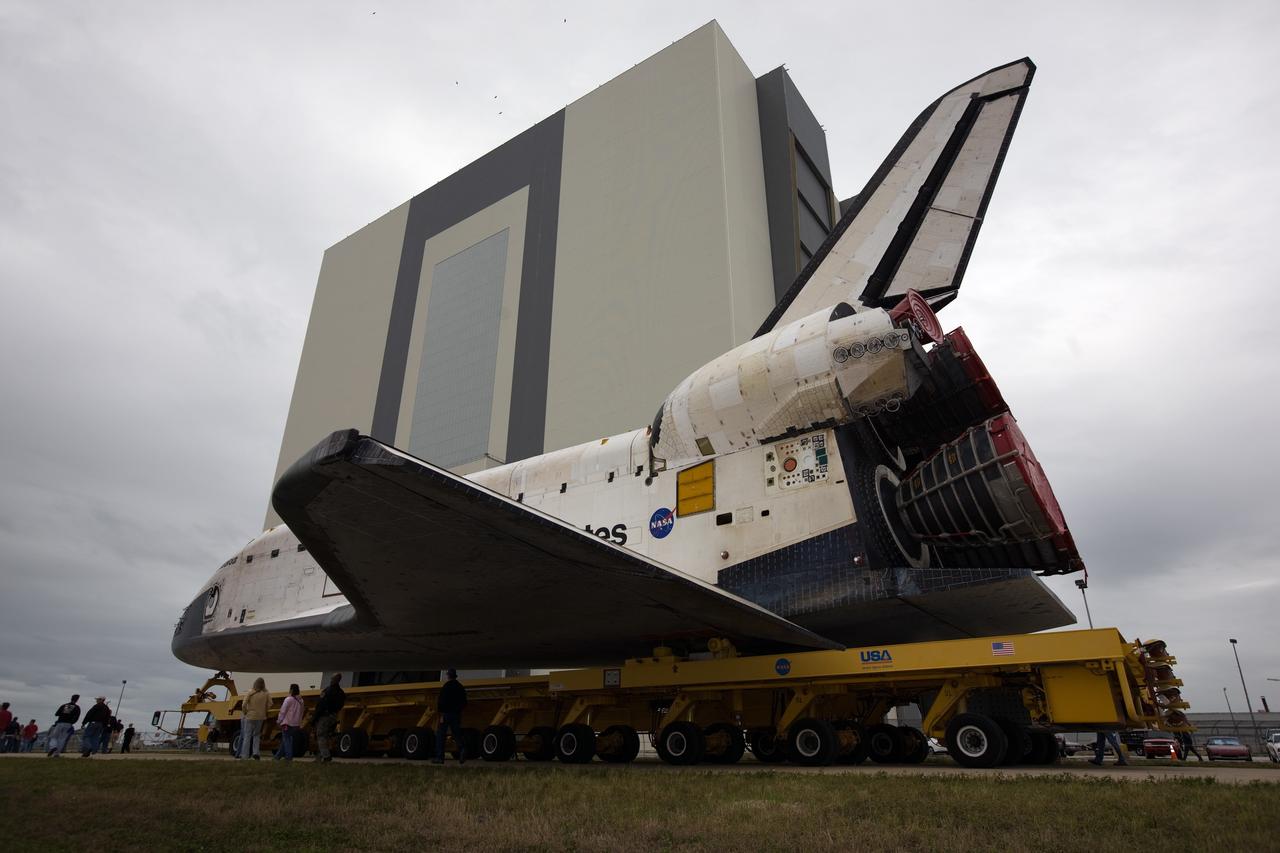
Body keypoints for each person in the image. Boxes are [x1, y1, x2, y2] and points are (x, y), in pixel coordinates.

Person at [433, 669, 468, 764]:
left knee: (441, 735)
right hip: (456, 714)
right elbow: (464, 702)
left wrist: (441, 714)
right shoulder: (460, 687)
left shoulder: (446, 686)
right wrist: (458, 710)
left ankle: (440, 757)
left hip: (446, 714)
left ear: (448, 676)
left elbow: (441, 701)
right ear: (455, 676)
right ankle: (462, 748)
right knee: (456, 734)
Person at [311, 674, 345, 762]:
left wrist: (314, 717)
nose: (330, 680)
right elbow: (341, 705)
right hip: (333, 716)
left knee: (321, 735)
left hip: (324, 716)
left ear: (334, 679)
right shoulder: (341, 693)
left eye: (332, 678)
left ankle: (326, 756)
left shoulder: (327, 691)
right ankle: (319, 757)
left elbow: (320, 705)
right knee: (325, 736)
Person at [240, 677, 270, 760]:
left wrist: (245, 712)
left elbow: (243, 704)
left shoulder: (250, 692)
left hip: (250, 716)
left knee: (247, 736)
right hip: (260, 717)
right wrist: (265, 711)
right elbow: (270, 704)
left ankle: (245, 755)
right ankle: (256, 753)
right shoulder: (266, 693)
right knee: (256, 735)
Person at [275, 684, 304, 761]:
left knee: (287, 740)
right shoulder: (301, 701)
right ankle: (277, 757)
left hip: (287, 723)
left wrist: (279, 721)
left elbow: (283, 711)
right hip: (296, 724)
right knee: (286, 740)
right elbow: (301, 712)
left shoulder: (288, 699)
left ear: (291, 690)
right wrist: (299, 722)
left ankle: (288, 757)